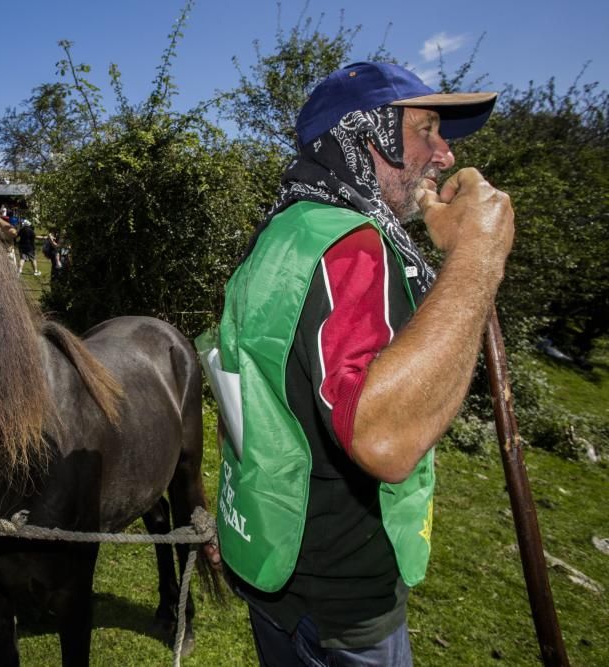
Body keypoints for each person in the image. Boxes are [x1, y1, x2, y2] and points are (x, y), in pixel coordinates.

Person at [207, 62, 513, 666]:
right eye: (427, 131)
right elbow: (385, 440)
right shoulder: (351, 244)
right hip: (344, 600)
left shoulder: (279, 235)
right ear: (367, 134)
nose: (445, 155)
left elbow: (240, 390)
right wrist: (478, 255)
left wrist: (230, 515)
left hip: (273, 568)